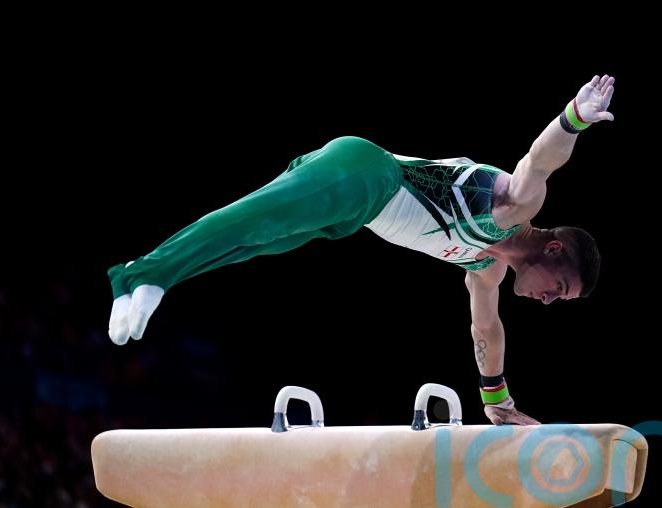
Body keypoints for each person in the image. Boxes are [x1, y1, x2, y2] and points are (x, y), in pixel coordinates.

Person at [107, 74, 616, 425]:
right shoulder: (513, 205)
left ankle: (150, 274)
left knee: (254, 243)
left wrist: (496, 399)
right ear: (552, 250)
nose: (548, 302)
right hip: (367, 173)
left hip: (354, 215)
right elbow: (539, 162)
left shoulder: (485, 268)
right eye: (559, 290)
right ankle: (141, 275)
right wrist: (575, 118)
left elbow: (486, 328)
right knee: (253, 220)